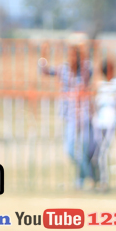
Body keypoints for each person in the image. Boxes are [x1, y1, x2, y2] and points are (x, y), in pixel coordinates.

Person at [39, 43, 94, 189]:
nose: (72, 59)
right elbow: (44, 71)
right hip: (69, 115)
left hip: (84, 115)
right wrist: (43, 54)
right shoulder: (63, 69)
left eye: (75, 56)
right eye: (70, 56)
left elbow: (90, 68)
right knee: (70, 149)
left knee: (84, 150)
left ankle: (80, 181)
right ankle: (89, 173)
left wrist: (82, 51)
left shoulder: (85, 70)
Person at [90, 58, 116, 191]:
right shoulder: (100, 85)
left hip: (110, 122)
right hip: (98, 123)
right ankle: (96, 180)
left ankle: (103, 182)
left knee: (102, 153)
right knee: (95, 154)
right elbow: (94, 101)